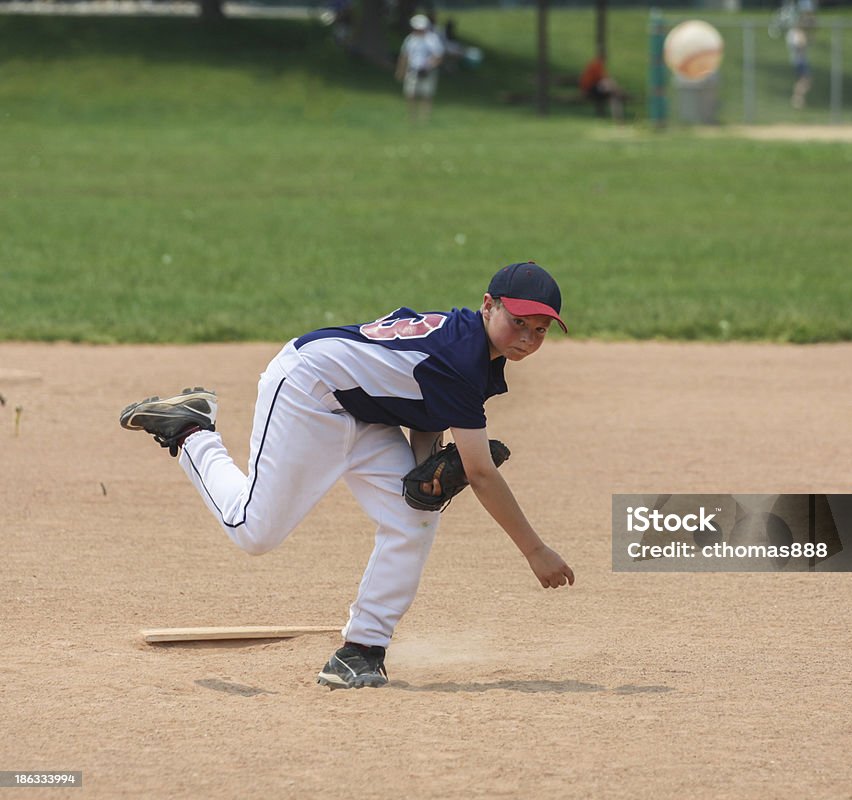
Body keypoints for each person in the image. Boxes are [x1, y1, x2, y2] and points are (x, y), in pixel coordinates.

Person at [119, 262, 576, 689]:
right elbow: (480, 472)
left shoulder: (469, 346)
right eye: (518, 321)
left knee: (412, 514)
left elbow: (425, 403)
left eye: (539, 330)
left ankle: (361, 650)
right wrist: (535, 551)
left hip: (365, 407)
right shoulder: (462, 359)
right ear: (488, 304)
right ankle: (190, 429)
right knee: (253, 530)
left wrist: (426, 462)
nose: (527, 338)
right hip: (307, 390)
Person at [395, 13, 446, 123]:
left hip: (427, 71)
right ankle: (412, 117)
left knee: (426, 95)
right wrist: (401, 70)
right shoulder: (410, 39)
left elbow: (438, 56)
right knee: (410, 94)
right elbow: (404, 56)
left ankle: (424, 119)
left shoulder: (432, 39)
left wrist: (429, 66)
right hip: (413, 70)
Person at [579, 56, 626, 123]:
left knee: (613, 95)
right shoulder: (596, 66)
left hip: (596, 90)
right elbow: (602, 79)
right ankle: (618, 92)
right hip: (591, 91)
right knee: (610, 88)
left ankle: (618, 118)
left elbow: (604, 78)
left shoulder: (596, 66)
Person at [785, 26, 811, 109]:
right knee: (805, 80)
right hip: (800, 60)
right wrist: (804, 39)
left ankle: (798, 99)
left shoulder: (793, 33)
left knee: (805, 81)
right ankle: (796, 99)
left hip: (800, 60)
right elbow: (800, 45)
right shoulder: (796, 33)